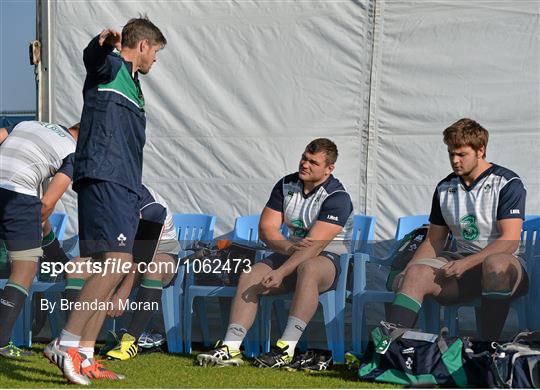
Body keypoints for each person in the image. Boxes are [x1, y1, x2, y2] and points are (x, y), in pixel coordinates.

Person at [44, 16, 166, 385]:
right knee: (115, 262)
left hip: (125, 185)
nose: (156, 60)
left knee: (108, 270)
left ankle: (84, 354)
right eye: (156, 52)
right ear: (142, 45)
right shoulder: (111, 64)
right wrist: (102, 43)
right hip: (104, 177)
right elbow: (93, 59)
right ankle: (65, 343)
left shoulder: (135, 83)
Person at [197, 138, 353, 368]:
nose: (305, 165)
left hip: (331, 259)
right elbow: (266, 229)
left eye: (313, 162)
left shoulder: (338, 197)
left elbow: (315, 246)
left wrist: (281, 271)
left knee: (308, 268)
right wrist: (289, 249)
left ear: (329, 169)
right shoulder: (286, 184)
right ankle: (231, 347)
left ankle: (286, 349)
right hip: (291, 252)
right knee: (250, 275)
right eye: (303, 158)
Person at [387, 118, 527, 343]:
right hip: (462, 269)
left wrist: (467, 263)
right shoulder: (445, 187)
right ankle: (391, 348)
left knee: (495, 264)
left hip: (508, 268)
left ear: (480, 150)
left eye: (461, 154)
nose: (455, 160)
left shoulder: (508, 182)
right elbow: (433, 242)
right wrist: (408, 270)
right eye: (451, 153)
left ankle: (487, 348)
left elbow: (509, 241)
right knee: (415, 274)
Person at [62, 184, 180, 367]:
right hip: (119, 252)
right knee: (75, 267)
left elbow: (143, 257)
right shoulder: (100, 200)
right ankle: (74, 340)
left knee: (154, 268)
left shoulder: (150, 206)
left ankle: (130, 341)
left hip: (158, 252)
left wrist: (121, 293)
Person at [0, 120, 79, 358]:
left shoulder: (28, 123)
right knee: (25, 268)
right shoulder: (72, 151)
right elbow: (46, 204)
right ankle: (1, 342)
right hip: (18, 196)